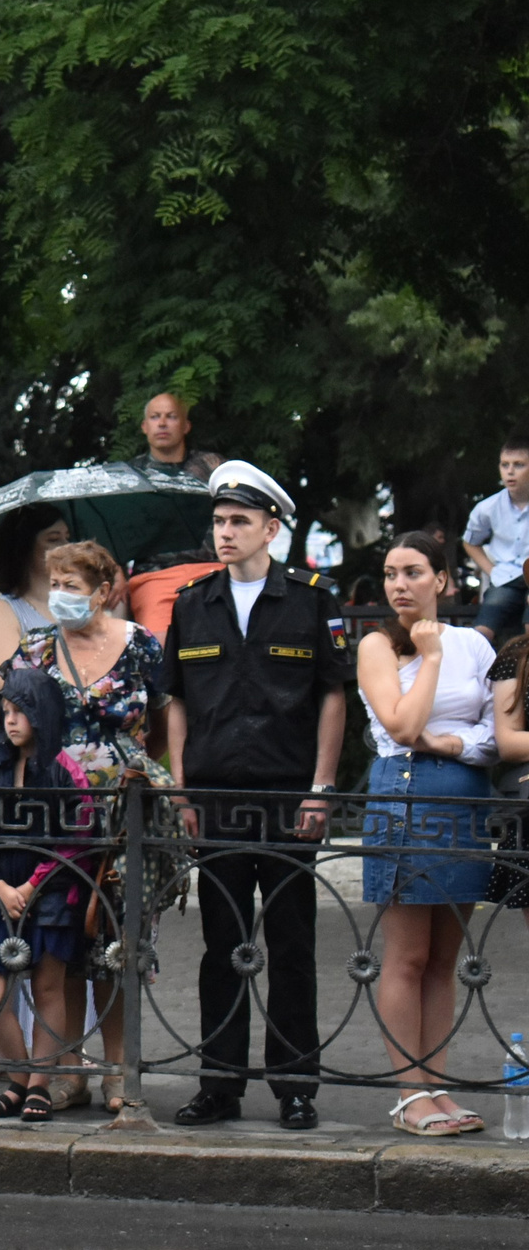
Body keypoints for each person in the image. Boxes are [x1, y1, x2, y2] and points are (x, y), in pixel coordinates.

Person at [161, 460, 351, 1131]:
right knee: (223, 947)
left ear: (271, 529)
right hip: (215, 797)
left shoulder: (311, 600)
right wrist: (181, 787)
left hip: (286, 795)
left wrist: (321, 788)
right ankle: (220, 1085)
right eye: (218, 520)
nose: (225, 532)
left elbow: (332, 696)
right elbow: (175, 699)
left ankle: (295, 1085)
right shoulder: (193, 602)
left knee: (292, 945)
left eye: (239, 520)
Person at [2, 541, 169, 1112]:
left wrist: (143, 776)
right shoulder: (35, 648)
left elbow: (165, 719)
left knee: (118, 944)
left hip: (125, 816)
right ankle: (68, 1068)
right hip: (59, 815)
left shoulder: (141, 644)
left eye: (71, 586)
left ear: (103, 591)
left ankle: (119, 1068)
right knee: (63, 942)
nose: (60, 596)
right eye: (54, 585)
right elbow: (13, 719)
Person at [357, 532, 497, 1137]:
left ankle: (437, 1087)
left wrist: (456, 742)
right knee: (408, 955)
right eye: (391, 573)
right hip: (406, 795)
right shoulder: (378, 645)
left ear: (441, 579)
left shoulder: (477, 645)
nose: (399, 584)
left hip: (463, 802)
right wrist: (430, 657)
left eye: (413, 572)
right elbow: (402, 725)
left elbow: (496, 729)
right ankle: (409, 1095)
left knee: (445, 958)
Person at [0, 668, 97, 1124]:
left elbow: (77, 841)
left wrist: (30, 885)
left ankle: (39, 1086)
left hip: (52, 897)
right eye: (5, 711)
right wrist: (1, 886)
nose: (11, 720)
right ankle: (19, 1079)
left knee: (47, 989)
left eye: (20, 711)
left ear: (42, 713)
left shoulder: (66, 772)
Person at [0, 503, 69, 678]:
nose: (66, 546)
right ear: (25, 546)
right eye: (53, 539)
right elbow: (7, 683)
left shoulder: (76, 603)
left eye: (67, 537)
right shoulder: (2, 611)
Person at [462, 438, 529, 646]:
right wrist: (491, 570)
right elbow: (470, 542)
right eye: (504, 465)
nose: (510, 471)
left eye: (519, 465)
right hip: (505, 577)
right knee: (481, 632)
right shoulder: (488, 507)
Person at [134, 391, 221, 481]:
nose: (162, 423)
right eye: (155, 417)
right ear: (144, 427)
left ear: (186, 426)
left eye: (171, 417)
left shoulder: (214, 468)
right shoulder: (131, 473)